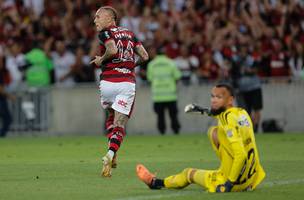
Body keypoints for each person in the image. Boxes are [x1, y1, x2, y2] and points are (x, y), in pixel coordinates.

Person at [136, 83, 266, 192]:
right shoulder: (242, 113)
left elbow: (241, 155)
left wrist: (229, 183)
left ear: (230, 100)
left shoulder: (227, 119)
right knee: (214, 131)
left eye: (219, 97)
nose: (214, 100)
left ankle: (156, 183)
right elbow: (218, 114)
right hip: (251, 178)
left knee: (188, 173)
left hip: (233, 181)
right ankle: (233, 173)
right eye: (212, 96)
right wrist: (201, 110)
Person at [90, 6, 149, 177]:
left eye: (98, 17)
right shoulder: (130, 34)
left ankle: (112, 154)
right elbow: (145, 56)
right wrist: (130, 65)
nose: (95, 20)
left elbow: (112, 49)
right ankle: (110, 154)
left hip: (108, 83)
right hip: (126, 83)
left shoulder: (106, 33)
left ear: (110, 18)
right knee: (120, 124)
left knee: (110, 117)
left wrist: (101, 59)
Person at [147, 48, 181, 134]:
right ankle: (176, 130)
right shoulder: (171, 63)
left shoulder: (151, 64)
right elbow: (177, 76)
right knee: (173, 115)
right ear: (165, 53)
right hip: (171, 95)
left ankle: (162, 131)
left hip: (158, 96)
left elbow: (150, 79)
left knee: (160, 116)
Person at [0, 55, 14, 138]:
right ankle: (1, 134)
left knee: (7, 119)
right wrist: (10, 96)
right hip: (1, 100)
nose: (1, 63)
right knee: (7, 119)